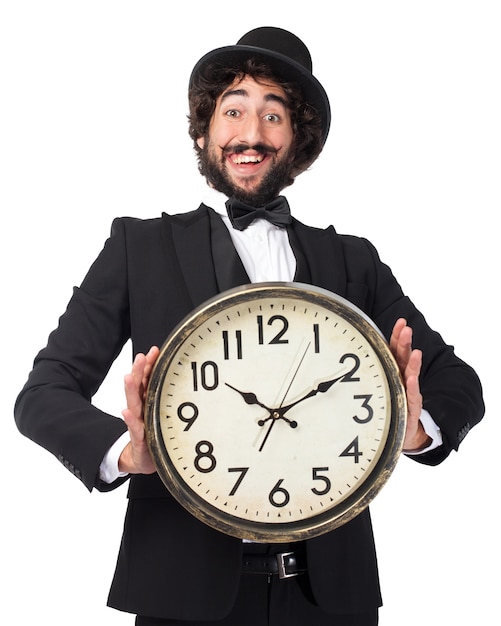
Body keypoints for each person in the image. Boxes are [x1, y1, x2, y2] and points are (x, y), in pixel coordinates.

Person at [14, 26, 484, 626]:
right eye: (233, 110)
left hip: (331, 598)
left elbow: (458, 382)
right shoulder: (140, 246)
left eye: (274, 114)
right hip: (180, 593)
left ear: (297, 139)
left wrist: (412, 430)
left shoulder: (353, 261)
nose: (251, 133)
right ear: (208, 130)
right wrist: (126, 453)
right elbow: (43, 394)